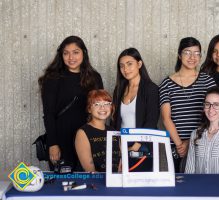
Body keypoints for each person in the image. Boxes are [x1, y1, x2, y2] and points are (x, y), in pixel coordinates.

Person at [38, 36, 103, 170]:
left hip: (87, 137)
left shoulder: (94, 78)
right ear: (61, 55)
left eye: (75, 52)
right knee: (63, 184)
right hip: (61, 138)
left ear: (83, 53)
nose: (70, 57)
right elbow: (48, 113)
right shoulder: (52, 78)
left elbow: (100, 110)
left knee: (89, 181)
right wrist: (53, 144)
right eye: (66, 53)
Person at [159, 37, 216, 173]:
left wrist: (190, 142)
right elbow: (166, 118)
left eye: (197, 53)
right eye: (187, 52)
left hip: (201, 144)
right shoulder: (166, 83)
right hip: (175, 147)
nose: (192, 57)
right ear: (179, 55)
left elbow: (214, 116)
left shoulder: (208, 81)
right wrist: (180, 145)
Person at [112, 47, 159, 171]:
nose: (125, 69)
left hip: (143, 145)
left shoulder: (151, 88)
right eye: (121, 66)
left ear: (139, 64)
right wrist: (118, 144)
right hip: (122, 144)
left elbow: (151, 120)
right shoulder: (119, 89)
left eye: (129, 64)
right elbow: (115, 120)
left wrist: (137, 144)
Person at [75, 89, 119, 172]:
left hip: (115, 180)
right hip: (94, 182)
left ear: (111, 107)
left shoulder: (114, 131)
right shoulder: (82, 133)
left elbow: (121, 162)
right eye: (97, 104)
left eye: (106, 104)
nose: (102, 107)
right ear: (89, 109)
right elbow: (89, 170)